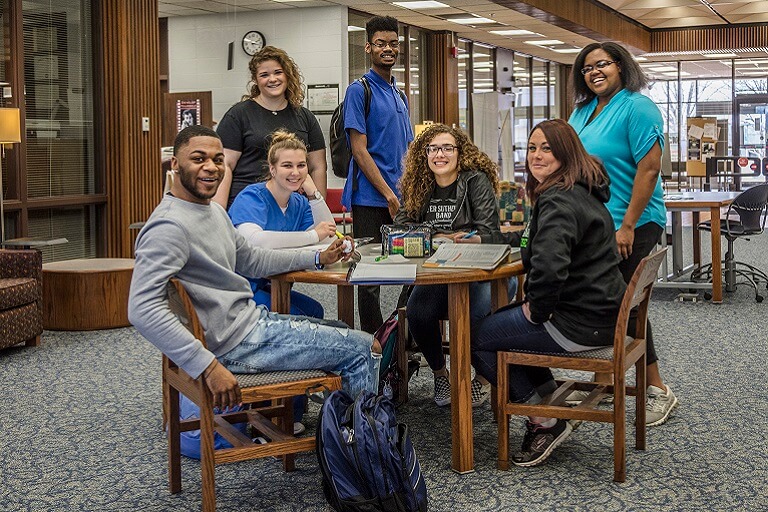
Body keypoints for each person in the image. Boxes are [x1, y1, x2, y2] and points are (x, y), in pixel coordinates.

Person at [128, 125, 380, 416]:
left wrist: (317, 257)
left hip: (251, 324)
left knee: (344, 331)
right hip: (236, 344)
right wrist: (207, 366)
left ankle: (338, 430)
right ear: (175, 164)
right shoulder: (169, 226)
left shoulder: (212, 212)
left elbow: (254, 260)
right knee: (366, 347)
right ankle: (358, 449)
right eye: (198, 159)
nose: (210, 167)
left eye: (218, 159)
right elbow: (142, 308)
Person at [471, 119, 627, 467]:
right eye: (532, 148)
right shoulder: (578, 190)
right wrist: (491, 240)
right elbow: (537, 241)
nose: (536, 155)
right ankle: (547, 397)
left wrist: (536, 311)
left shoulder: (558, 200)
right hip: (599, 312)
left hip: (579, 323)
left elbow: (550, 267)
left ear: (566, 153)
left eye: (546, 148)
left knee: (478, 338)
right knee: (503, 324)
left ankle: (545, 421)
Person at [568, 42, 677, 427]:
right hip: (594, 225)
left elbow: (649, 170)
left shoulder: (638, 107)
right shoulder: (581, 112)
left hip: (634, 221)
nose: (595, 72)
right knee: (604, 300)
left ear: (620, 66)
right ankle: (606, 380)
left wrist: (627, 224)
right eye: (587, 67)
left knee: (624, 301)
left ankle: (657, 388)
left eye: (603, 64)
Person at [394, 123, 501, 407]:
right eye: (433, 149)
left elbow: (492, 233)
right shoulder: (419, 185)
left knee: (475, 317)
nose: (439, 154)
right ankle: (441, 374)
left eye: (447, 148)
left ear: (459, 153)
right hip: (437, 273)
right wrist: (438, 236)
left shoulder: (475, 181)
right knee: (417, 312)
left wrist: (469, 241)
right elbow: (401, 228)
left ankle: (482, 379)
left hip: (480, 272)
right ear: (425, 154)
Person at [343, 15, 414, 334]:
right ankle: (375, 348)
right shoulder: (359, 90)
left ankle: (400, 337)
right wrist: (388, 194)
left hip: (402, 200)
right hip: (371, 199)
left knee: (411, 270)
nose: (389, 49)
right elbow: (359, 149)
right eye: (381, 44)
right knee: (369, 279)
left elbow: (409, 150)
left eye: (394, 43)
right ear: (369, 48)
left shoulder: (400, 95)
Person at [228, 130, 336, 320]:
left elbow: (328, 238)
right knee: (299, 319)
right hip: (237, 290)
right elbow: (256, 241)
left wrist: (313, 194)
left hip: (270, 282)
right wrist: (312, 236)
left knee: (315, 312)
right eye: (287, 165)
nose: (295, 172)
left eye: (301, 165)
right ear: (272, 169)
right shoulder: (252, 197)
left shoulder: (299, 203)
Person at [215, 46, 327, 209]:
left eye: (277, 72)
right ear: (256, 80)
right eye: (264, 75)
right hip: (249, 206)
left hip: (293, 208)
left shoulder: (305, 117)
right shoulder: (238, 115)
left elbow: (318, 167)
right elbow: (225, 166)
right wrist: (219, 212)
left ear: (288, 75)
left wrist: (319, 209)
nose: (272, 79)